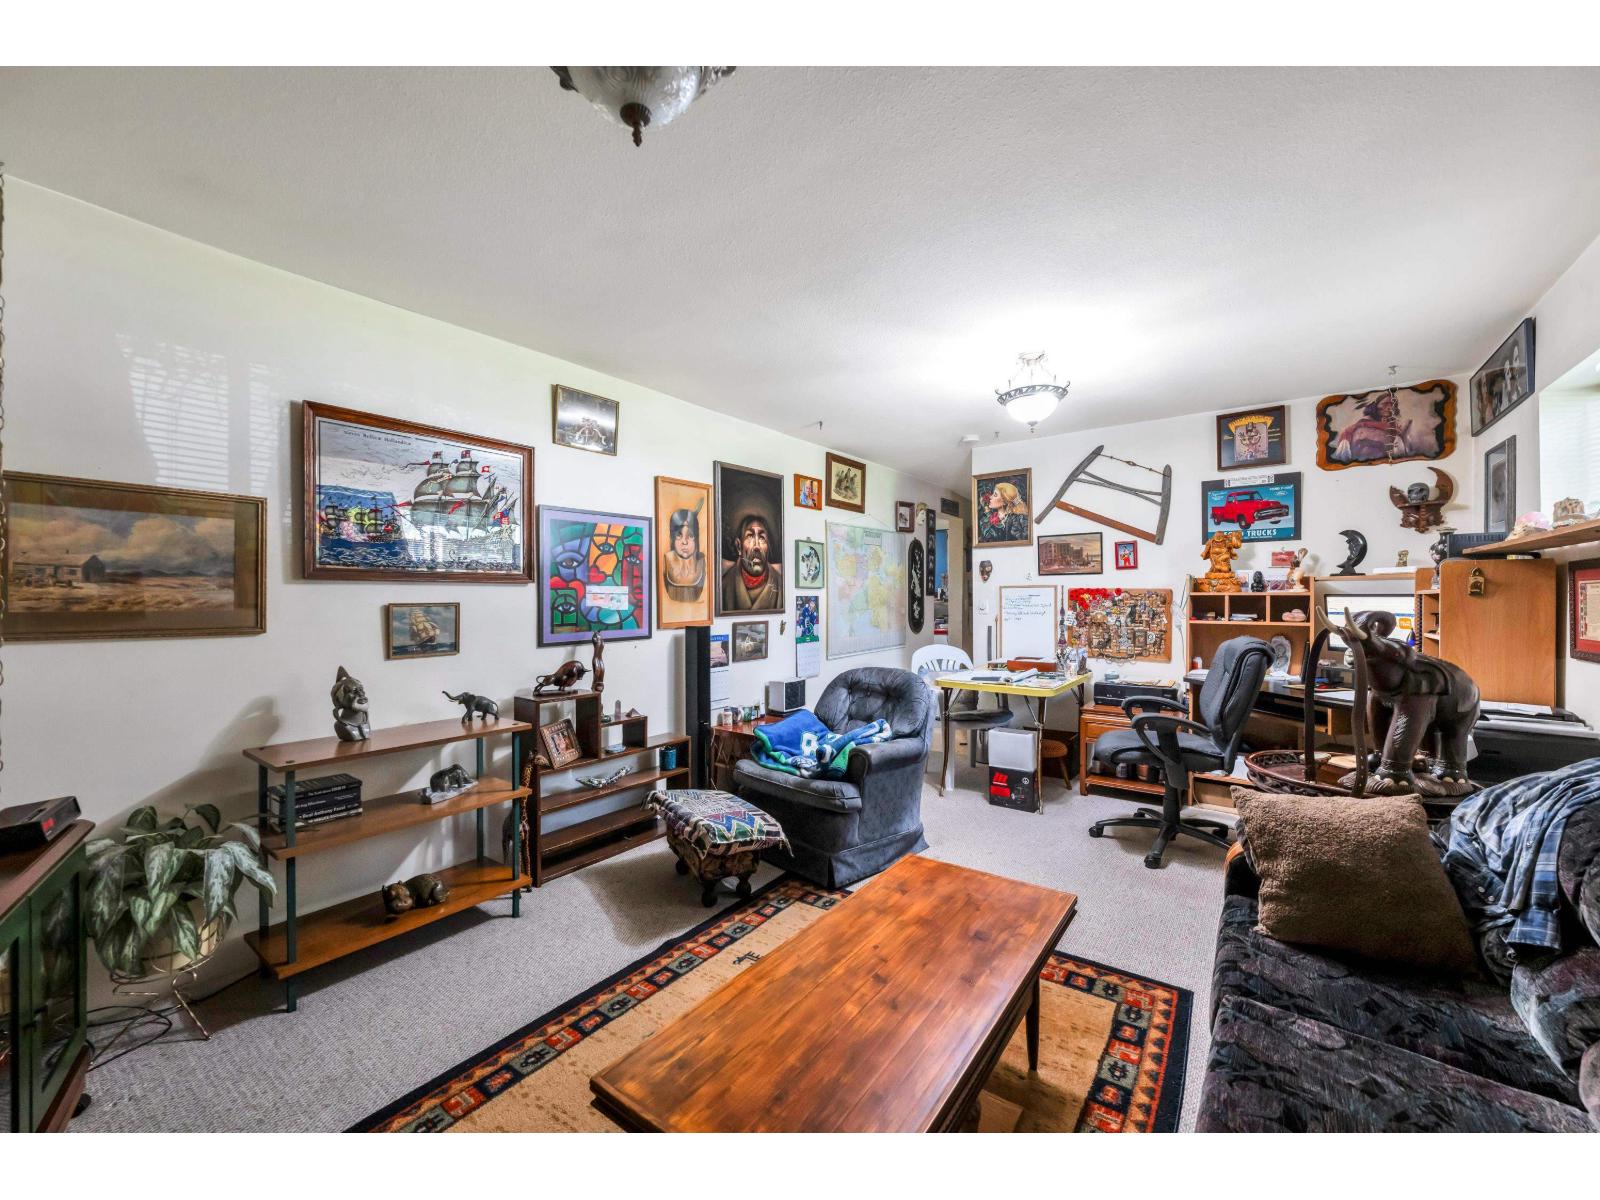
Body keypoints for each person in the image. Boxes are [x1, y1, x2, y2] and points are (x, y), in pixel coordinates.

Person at [721, 513, 782, 610]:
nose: (756, 546)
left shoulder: (780, 585)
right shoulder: (724, 585)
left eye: (762, 538)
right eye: (750, 536)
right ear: (739, 546)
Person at [664, 498, 706, 602]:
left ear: (696, 538)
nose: (684, 542)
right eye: (679, 535)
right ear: (672, 538)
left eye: (690, 536)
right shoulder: (666, 560)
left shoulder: (702, 560)